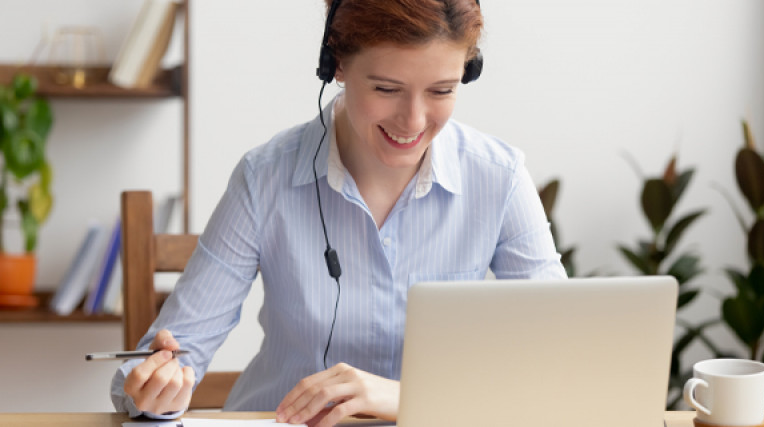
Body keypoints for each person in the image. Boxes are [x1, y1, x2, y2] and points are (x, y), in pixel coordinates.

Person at [111, 0, 567, 426]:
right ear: (338, 64)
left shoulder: (500, 177)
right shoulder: (264, 176)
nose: (413, 120)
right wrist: (153, 391)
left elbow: (565, 361)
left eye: (441, 90)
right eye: (386, 89)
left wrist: (401, 398)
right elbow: (150, 370)